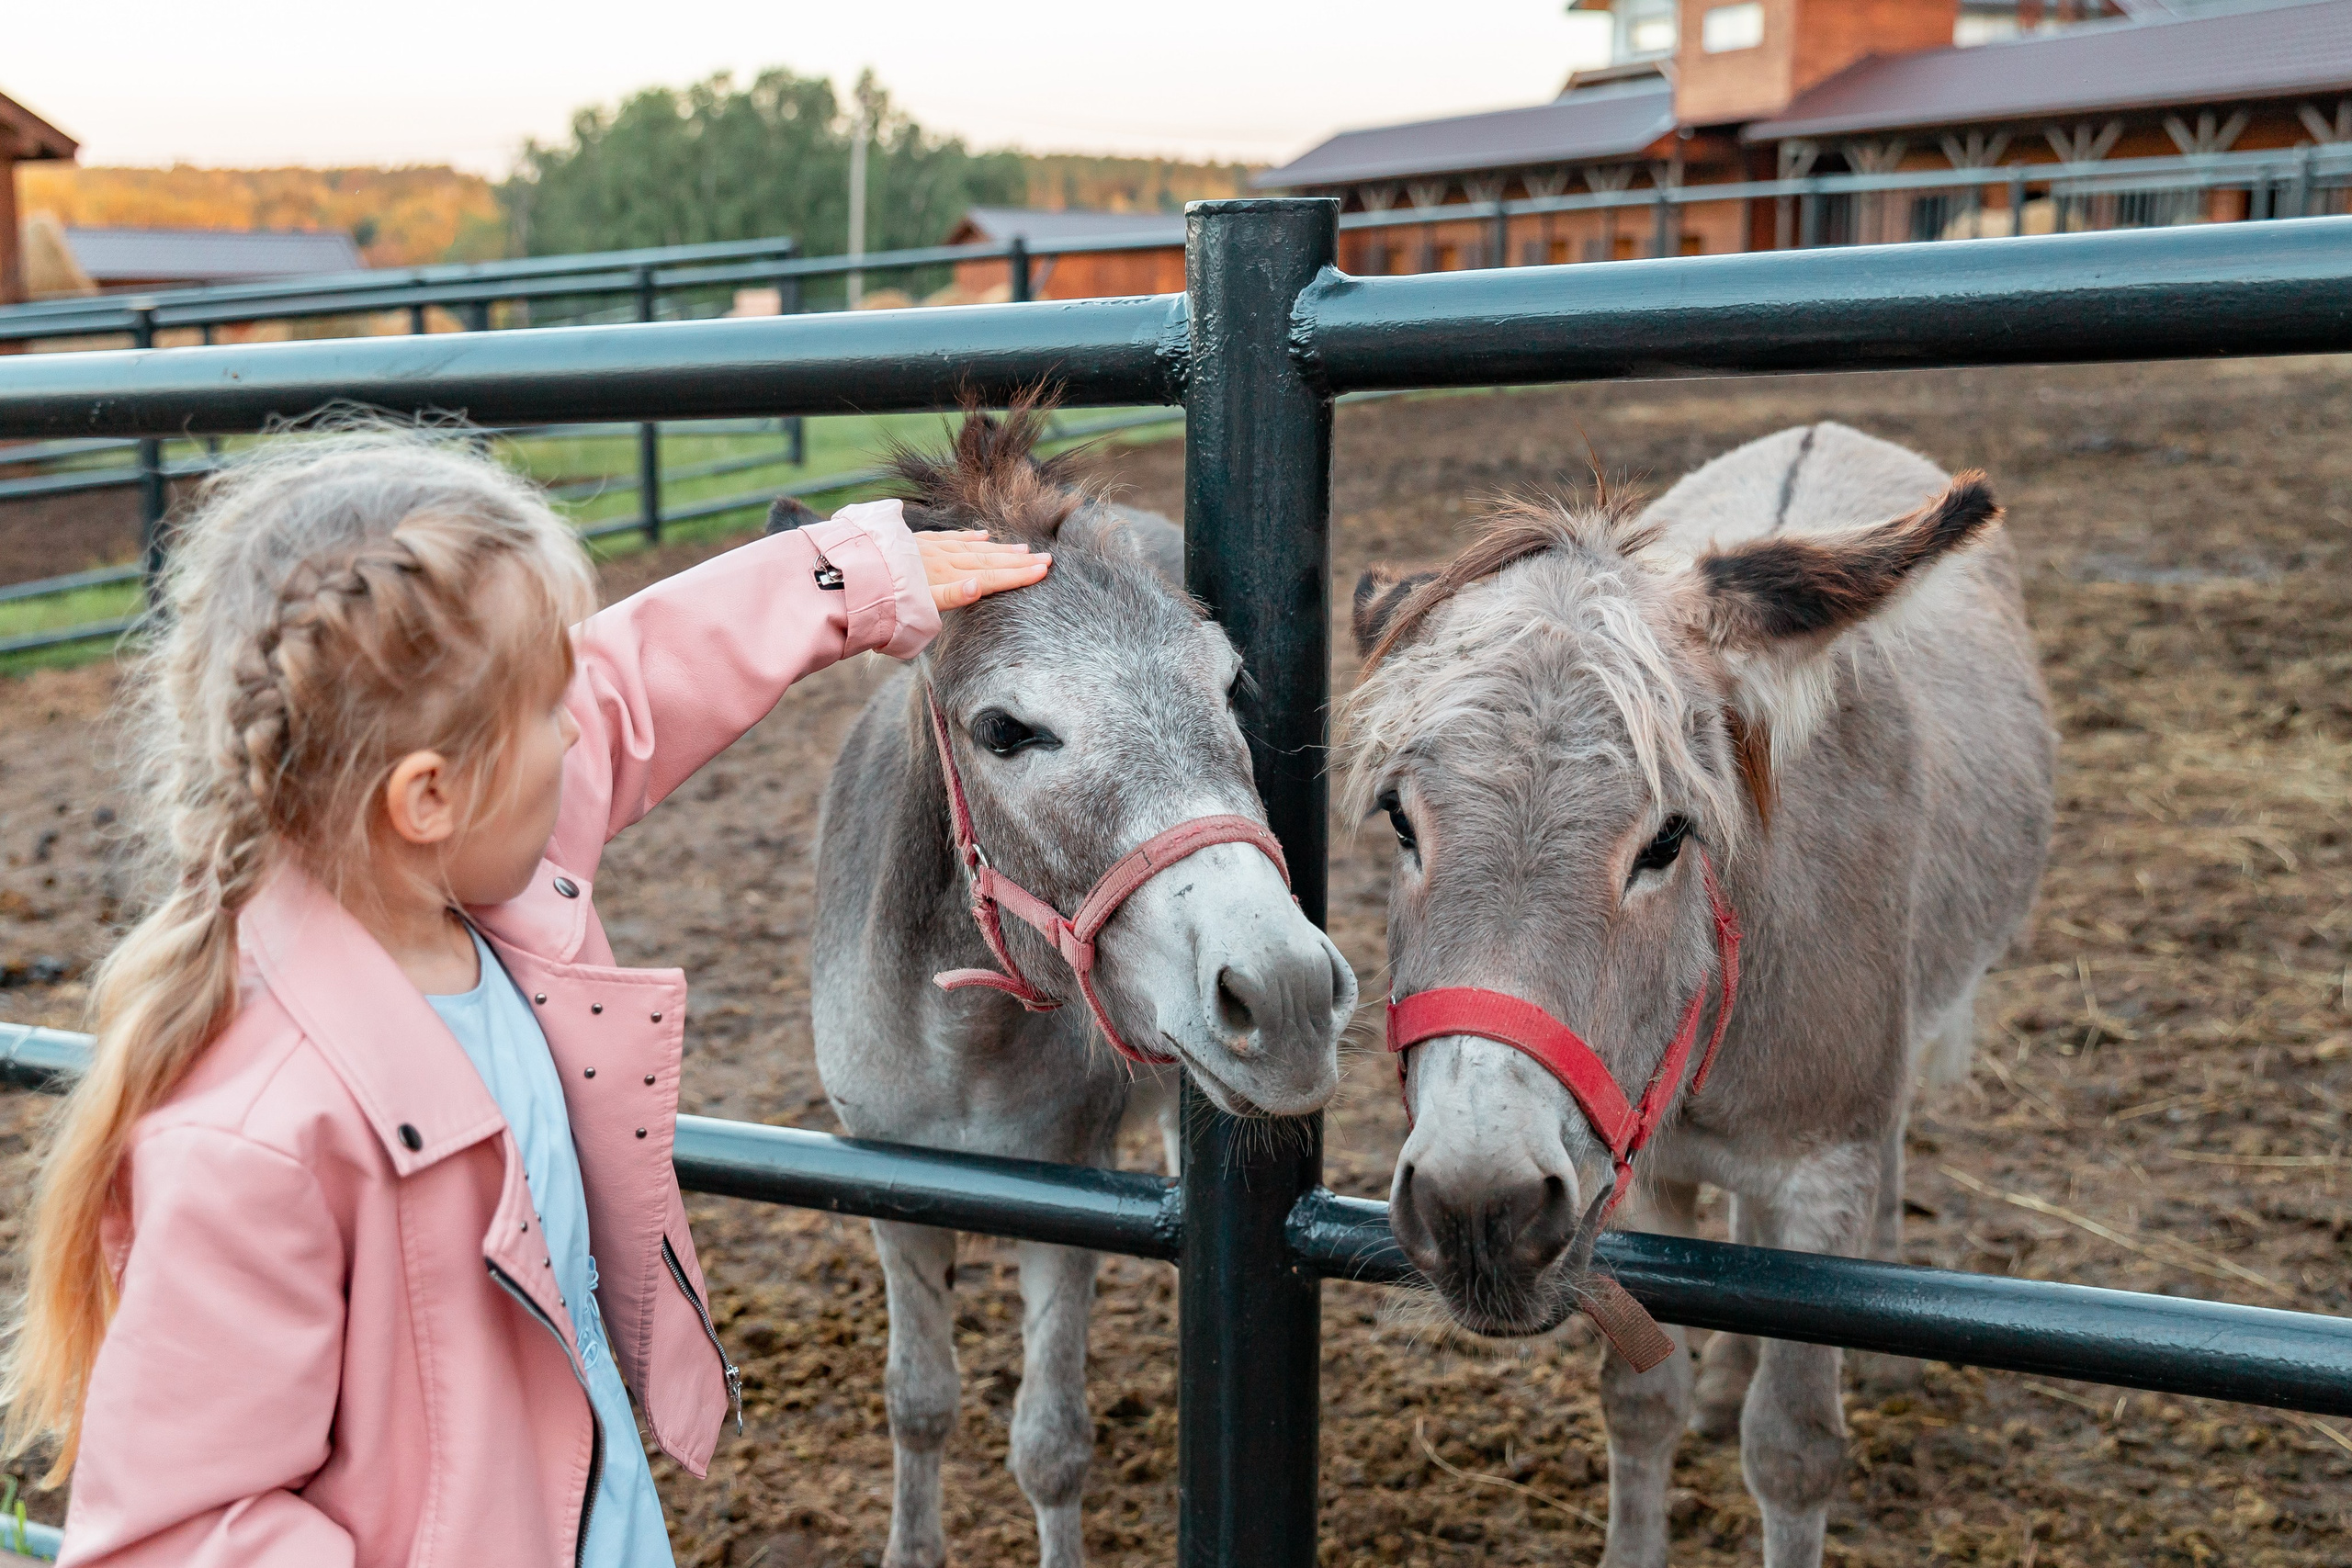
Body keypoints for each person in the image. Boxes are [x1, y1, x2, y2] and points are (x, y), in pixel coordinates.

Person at [0, 428, 1048, 1566]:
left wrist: (843, 578)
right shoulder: (255, 1138)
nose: (579, 722)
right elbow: (182, 1532)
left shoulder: (453, 881)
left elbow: (634, 681)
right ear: (428, 795)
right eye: (550, 705)